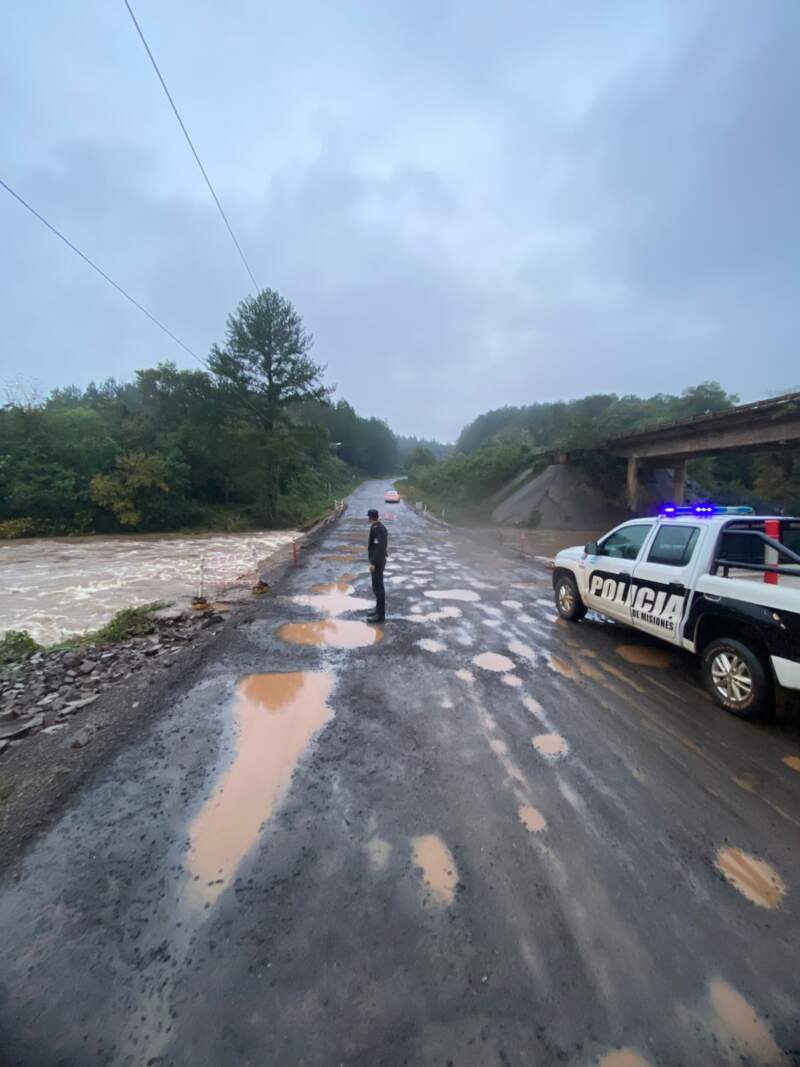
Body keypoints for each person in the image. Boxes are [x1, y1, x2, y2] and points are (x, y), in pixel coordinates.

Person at [366, 508, 388, 623]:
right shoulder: (378, 527)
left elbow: (379, 547)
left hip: (377, 562)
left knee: (378, 588)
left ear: (370, 517)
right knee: (377, 587)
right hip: (378, 561)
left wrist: (373, 563)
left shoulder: (377, 529)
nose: (367, 519)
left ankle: (380, 615)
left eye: (368, 517)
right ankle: (378, 611)